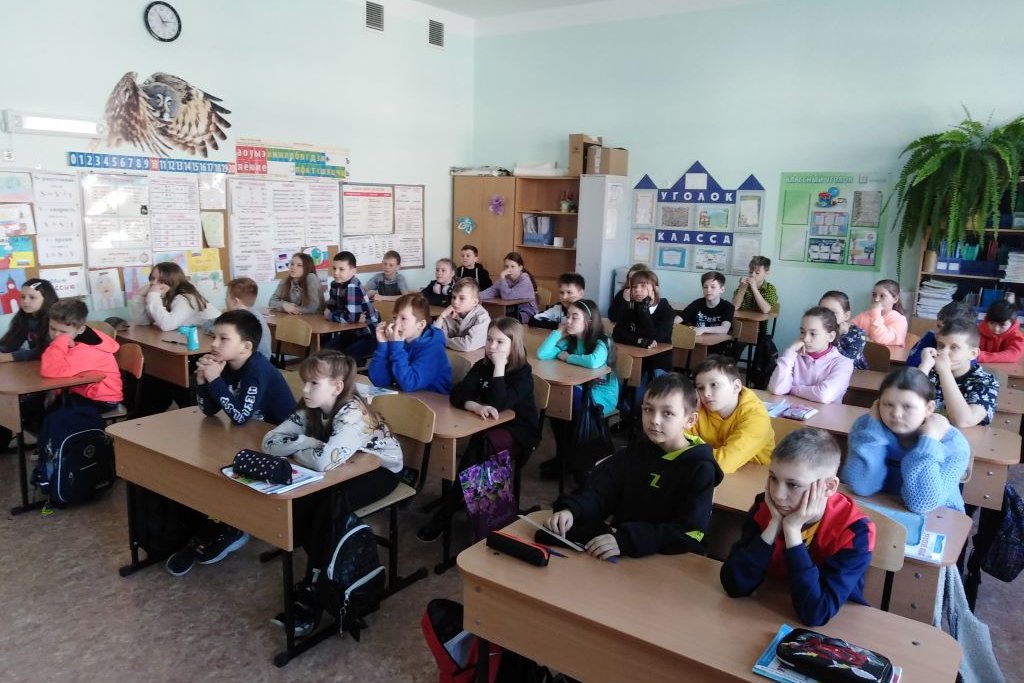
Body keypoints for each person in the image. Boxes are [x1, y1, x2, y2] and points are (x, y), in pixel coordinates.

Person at [262, 350, 404, 635]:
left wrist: (303, 445)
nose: (304, 389)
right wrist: (310, 443)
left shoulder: (353, 415)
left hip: (381, 470)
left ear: (337, 387)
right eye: (305, 381)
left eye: (314, 383)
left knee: (328, 507)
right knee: (305, 502)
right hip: (345, 466)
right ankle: (322, 565)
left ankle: (315, 588)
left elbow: (323, 462)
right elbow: (269, 441)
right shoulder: (311, 407)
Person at [164, 310, 297, 578]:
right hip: (250, 435)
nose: (214, 344)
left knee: (219, 464)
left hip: (281, 445)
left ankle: (233, 526)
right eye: (214, 337)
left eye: (223, 338)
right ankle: (215, 521)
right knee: (202, 458)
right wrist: (202, 382)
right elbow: (209, 411)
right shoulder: (227, 364)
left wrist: (215, 379)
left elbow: (239, 416)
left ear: (246, 347)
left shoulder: (256, 370)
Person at [544, 372, 723, 560]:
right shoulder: (635, 451)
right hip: (622, 551)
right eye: (648, 409)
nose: (654, 420)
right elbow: (601, 492)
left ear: (690, 420)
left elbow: (690, 532)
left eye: (667, 413)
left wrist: (628, 540)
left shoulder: (700, 468)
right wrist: (573, 510)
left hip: (666, 560)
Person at [721, 428, 875, 627]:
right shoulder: (764, 507)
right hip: (767, 609)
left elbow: (816, 614)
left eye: (793, 485)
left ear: (829, 487)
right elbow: (734, 585)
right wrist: (774, 525)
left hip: (835, 625)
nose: (778, 495)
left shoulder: (855, 533)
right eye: (773, 478)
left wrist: (792, 531)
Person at [417, 317, 540, 542]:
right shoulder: (482, 366)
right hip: (487, 426)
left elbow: (499, 403)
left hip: (520, 432)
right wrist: (475, 406)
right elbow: (457, 394)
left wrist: (500, 367)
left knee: (480, 445)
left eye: (500, 342)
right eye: (489, 340)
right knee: (480, 442)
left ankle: (447, 510)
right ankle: (462, 498)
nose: (492, 347)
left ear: (514, 345)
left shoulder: (522, 373)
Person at [844, 367, 970, 513]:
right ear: (877, 404)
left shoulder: (954, 444)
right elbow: (861, 486)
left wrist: (929, 441)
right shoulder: (866, 428)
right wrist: (874, 430)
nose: (896, 414)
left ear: (929, 408)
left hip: (938, 515)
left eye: (907, 407)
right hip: (882, 506)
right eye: (888, 404)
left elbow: (922, 504)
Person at [536, 299, 621, 481]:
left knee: (567, 403)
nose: (568, 321)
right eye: (567, 316)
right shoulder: (571, 340)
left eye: (574, 317)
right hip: (580, 390)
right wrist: (558, 331)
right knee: (560, 406)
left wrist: (567, 357)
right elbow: (542, 354)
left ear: (588, 322)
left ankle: (577, 460)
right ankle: (566, 458)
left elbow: (594, 361)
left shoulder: (603, 340)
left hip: (602, 393)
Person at [693, 355, 774, 474]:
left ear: (736, 387)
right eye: (700, 388)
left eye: (714, 385)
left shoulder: (757, 417)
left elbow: (723, 463)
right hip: (713, 473)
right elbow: (674, 445)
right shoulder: (698, 409)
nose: (706, 394)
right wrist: (686, 411)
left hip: (755, 476)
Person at [39, 298, 123, 412]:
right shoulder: (75, 337)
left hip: (102, 400)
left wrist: (58, 343)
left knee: (54, 413)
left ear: (81, 329)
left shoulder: (86, 349)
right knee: (37, 404)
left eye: (63, 332)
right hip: (82, 392)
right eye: (52, 328)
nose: (56, 335)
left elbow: (51, 371)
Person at [917, 319, 999, 427]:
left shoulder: (986, 382)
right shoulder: (928, 371)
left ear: (973, 354)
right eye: (941, 345)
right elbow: (902, 401)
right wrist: (924, 366)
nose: (944, 352)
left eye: (954, 347)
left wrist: (944, 371)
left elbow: (963, 421)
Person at [767, 306, 854, 405]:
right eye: (802, 332)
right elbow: (777, 389)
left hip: (825, 414)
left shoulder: (844, 363)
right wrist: (790, 351)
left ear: (830, 336)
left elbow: (824, 395)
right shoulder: (793, 356)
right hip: (791, 411)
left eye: (813, 334)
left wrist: (791, 389)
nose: (805, 339)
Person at [368, 292, 451, 393]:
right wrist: (383, 345)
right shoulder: (398, 342)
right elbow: (379, 381)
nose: (396, 323)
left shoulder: (433, 347)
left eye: (403, 318)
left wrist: (396, 347)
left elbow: (410, 384)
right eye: (395, 317)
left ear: (420, 325)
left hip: (434, 400)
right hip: (407, 397)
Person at [611, 269, 674, 375]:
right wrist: (639, 341)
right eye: (634, 286)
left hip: (657, 364)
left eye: (643, 286)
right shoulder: (633, 307)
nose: (637, 290)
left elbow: (655, 337)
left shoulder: (666, 310)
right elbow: (617, 334)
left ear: (655, 289)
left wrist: (643, 310)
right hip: (634, 358)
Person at [324, 251, 380, 364]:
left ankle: (356, 370)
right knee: (326, 351)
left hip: (368, 334)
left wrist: (330, 316)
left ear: (353, 271)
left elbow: (350, 317)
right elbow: (331, 307)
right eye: (334, 268)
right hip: (349, 332)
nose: (336, 272)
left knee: (347, 357)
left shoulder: (352, 286)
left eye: (341, 269)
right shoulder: (335, 284)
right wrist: (342, 315)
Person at [131, 261, 220, 331]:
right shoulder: (165, 295)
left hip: (212, 337)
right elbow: (143, 322)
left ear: (173, 282)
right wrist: (140, 297)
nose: (153, 283)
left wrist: (153, 295)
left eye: (161, 280)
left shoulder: (186, 297)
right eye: (152, 278)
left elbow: (167, 325)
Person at [0, 278, 58, 363]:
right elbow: (11, 343)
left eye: (32, 297)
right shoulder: (24, 317)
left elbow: (47, 350)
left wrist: (10, 356)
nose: (25, 301)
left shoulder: (56, 320)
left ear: (46, 299)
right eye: (23, 297)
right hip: (36, 364)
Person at [905, 300, 974, 367]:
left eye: (947, 329)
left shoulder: (966, 356)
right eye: (939, 326)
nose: (938, 332)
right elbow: (910, 364)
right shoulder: (929, 337)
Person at [433, 278, 490, 352]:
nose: (455, 302)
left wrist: (443, 340)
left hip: (474, 357)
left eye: (462, 298)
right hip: (453, 354)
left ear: (475, 302)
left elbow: (467, 345)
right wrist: (442, 316)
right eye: (454, 297)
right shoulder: (449, 312)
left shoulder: (482, 317)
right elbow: (434, 337)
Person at [478, 252, 538, 323]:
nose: (509, 270)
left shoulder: (525, 280)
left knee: (502, 319)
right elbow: (492, 290)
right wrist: (476, 297)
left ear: (520, 267)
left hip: (527, 313)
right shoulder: (506, 279)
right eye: (506, 266)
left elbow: (507, 296)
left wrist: (502, 277)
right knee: (489, 314)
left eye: (512, 266)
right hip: (511, 310)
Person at [220, 277, 271, 359]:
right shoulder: (253, 312)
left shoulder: (240, 318)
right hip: (262, 358)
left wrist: (224, 314)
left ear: (235, 301)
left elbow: (212, 328)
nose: (225, 299)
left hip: (255, 362)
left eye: (227, 296)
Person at [851, 279, 907, 349]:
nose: (876, 299)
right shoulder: (864, 315)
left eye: (882, 296)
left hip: (888, 356)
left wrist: (876, 313)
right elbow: (849, 331)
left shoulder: (900, 320)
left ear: (895, 299)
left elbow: (881, 339)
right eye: (874, 295)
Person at [818, 290, 867, 370]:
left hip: (853, 373)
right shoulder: (816, 330)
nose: (827, 316)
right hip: (824, 370)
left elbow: (847, 361)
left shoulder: (858, 334)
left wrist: (837, 336)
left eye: (833, 312)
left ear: (846, 316)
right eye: (823, 311)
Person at [679, 271, 734, 335]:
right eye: (705, 287)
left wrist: (703, 329)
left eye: (713, 287)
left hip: (717, 340)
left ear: (722, 289)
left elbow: (724, 329)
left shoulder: (728, 306)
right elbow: (680, 317)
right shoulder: (696, 303)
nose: (708, 290)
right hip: (697, 340)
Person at [978, 299, 1024, 364]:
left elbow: (1013, 354)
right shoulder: (978, 330)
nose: (996, 329)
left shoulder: (1017, 336)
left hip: (1004, 368)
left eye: (1002, 325)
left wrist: (979, 356)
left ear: (1012, 323)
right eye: (991, 323)